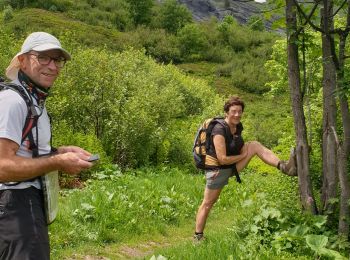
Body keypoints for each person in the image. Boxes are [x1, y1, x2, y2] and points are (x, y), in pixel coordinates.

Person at [0, 32, 94, 259]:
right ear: (22, 61)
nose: (52, 66)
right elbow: (3, 166)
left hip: (25, 204)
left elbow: (26, 151)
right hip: (14, 207)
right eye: (43, 58)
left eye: (57, 60)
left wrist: (60, 152)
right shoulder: (13, 101)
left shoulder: (34, 101)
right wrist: (58, 162)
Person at [194, 96, 297, 241]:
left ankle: (285, 167)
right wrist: (243, 156)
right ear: (226, 112)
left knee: (254, 145)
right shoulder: (219, 129)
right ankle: (198, 236)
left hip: (231, 167)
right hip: (217, 171)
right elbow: (222, 159)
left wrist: (244, 153)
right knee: (208, 203)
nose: (237, 114)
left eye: (240, 111)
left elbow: (237, 149)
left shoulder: (237, 127)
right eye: (234, 111)